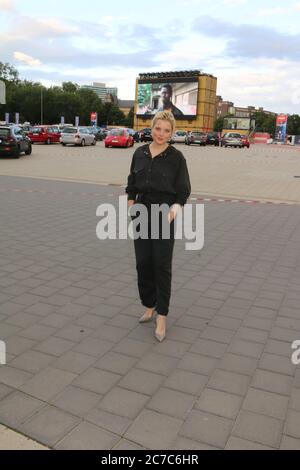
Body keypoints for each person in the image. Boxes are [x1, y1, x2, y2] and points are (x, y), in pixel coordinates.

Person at [126, 111, 191, 342]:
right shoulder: (139, 153)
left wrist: (174, 210)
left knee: (161, 265)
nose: (161, 134)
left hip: (165, 215)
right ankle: (149, 305)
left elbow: (183, 190)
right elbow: (131, 184)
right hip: (141, 213)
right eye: (158, 128)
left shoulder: (176, 157)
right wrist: (131, 204)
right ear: (151, 128)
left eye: (166, 130)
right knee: (143, 263)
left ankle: (162, 315)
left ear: (171, 133)